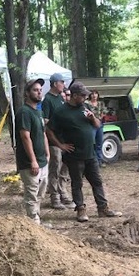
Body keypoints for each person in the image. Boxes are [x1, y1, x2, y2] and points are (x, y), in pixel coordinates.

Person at [48, 82, 123, 223]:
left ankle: (103, 208)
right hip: (75, 155)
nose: (85, 97)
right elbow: (49, 130)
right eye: (83, 95)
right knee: (77, 183)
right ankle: (80, 209)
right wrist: (60, 145)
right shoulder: (61, 111)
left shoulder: (86, 107)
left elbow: (98, 125)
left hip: (91, 154)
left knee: (97, 181)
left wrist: (92, 118)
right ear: (74, 95)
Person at [15, 78, 51, 226]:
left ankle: (37, 222)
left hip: (43, 161)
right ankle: (33, 224)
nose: (39, 92)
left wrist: (48, 153)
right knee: (31, 194)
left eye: (40, 90)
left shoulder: (39, 112)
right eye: (35, 90)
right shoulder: (24, 112)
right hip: (30, 163)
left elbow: (43, 134)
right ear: (28, 93)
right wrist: (33, 160)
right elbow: (25, 136)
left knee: (40, 194)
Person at [41, 72, 70, 209]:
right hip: (54, 140)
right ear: (54, 84)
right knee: (55, 167)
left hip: (65, 138)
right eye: (62, 82)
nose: (63, 84)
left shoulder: (60, 98)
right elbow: (45, 121)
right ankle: (55, 197)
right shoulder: (47, 99)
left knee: (66, 166)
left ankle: (63, 191)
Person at [87, 90, 105, 164]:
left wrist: (100, 117)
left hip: (99, 125)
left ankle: (99, 160)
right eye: (92, 94)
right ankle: (91, 160)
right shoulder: (87, 104)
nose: (94, 95)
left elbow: (104, 112)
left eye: (96, 94)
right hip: (91, 125)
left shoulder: (101, 103)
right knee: (91, 143)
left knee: (99, 143)